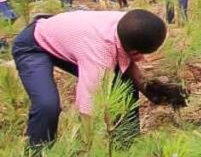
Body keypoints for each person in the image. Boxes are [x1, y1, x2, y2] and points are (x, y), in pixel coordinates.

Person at [11, 9, 172, 146]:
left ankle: (126, 146)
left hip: (68, 39)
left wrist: (152, 91)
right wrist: (88, 148)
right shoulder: (99, 55)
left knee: (123, 84)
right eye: (141, 54)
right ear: (134, 51)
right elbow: (87, 109)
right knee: (47, 105)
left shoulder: (130, 23)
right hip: (33, 46)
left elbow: (126, 66)